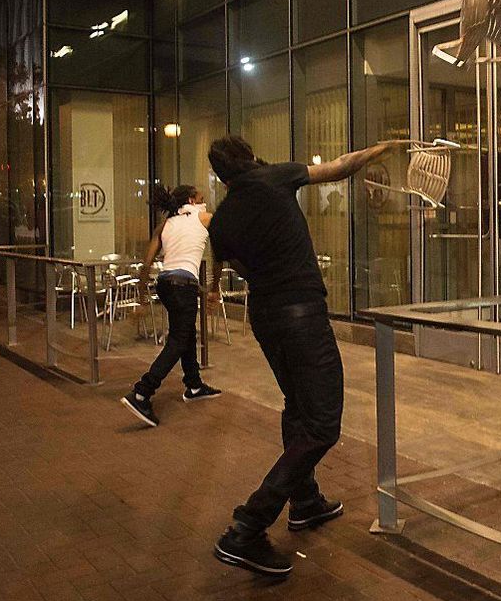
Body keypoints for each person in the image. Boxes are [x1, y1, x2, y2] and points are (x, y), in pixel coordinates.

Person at [206, 135, 398, 577]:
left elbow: (238, 267)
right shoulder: (275, 178)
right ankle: (247, 526)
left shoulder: (222, 220)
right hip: (301, 315)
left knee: (297, 405)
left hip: (266, 317)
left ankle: (306, 501)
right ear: (251, 156)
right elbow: (339, 166)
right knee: (323, 423)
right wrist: (381, 147)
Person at [120, 184, 222, 428]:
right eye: (200, 196)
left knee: (185, 333)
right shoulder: (205, 217)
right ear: (191, 199)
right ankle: (142, 393)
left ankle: (194, 385)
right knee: (178, 339)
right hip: (184, 285)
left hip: (165, 284)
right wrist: (215, 287)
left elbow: (146, 264)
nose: (204, 198)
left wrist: (143, 297)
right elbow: (220, 254)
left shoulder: (165, 225)